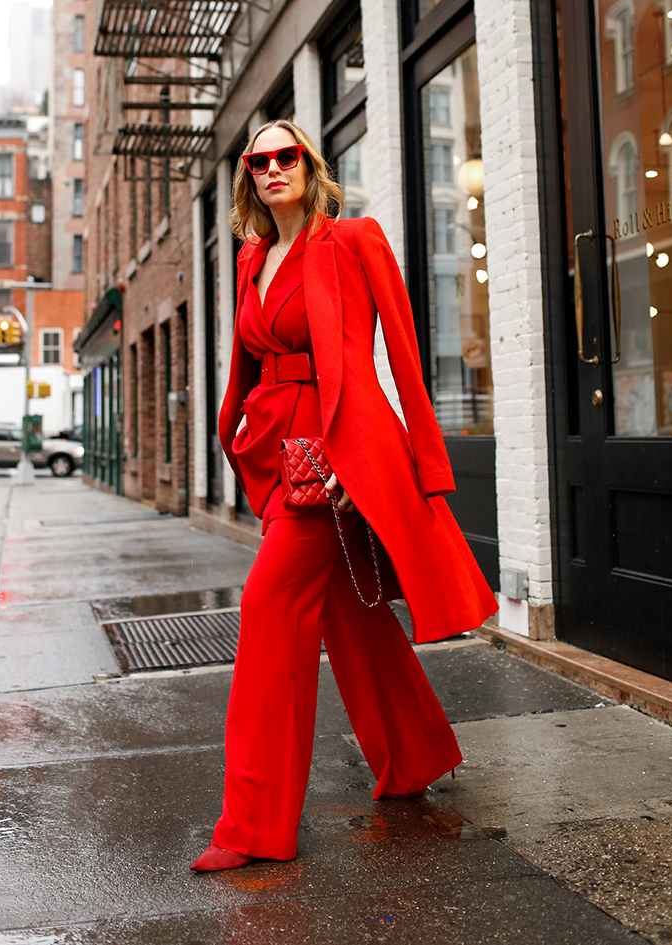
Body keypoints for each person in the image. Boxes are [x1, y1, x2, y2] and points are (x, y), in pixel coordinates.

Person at [190, 120, 497, 873]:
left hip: (337, 460)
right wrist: (235, 441)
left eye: (284, 155)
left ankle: (252, 823)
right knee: (348, 612)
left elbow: (399, 353)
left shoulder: (354, 240)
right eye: (257, 161)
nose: (271, 169)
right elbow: (250, 369)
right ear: (249, 180)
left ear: (309, 164)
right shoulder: (252, 256)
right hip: (276, 461)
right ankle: (414, 752)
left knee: (268, 610)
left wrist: (413, 464)